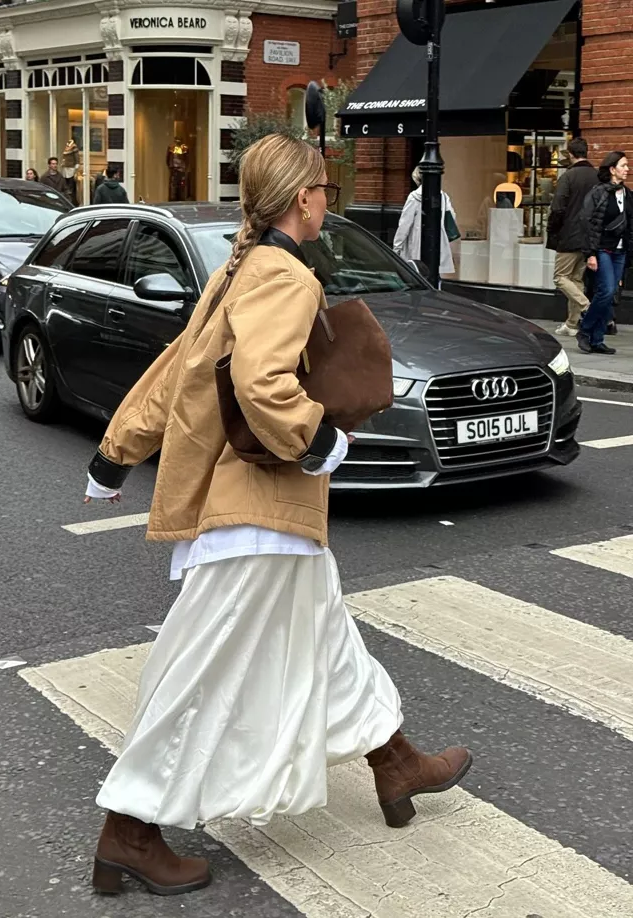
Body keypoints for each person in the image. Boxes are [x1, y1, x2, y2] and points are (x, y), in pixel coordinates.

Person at [83, 133, 472, 898]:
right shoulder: (284, 278)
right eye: (325, 188)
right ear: (302, 198)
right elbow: (263, 384)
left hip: (261, 511)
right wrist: (321, 440)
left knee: (327, 635)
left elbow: (180, 369)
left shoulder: (239, 268)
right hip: (256, 508)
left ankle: (393, 764)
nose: (331, 198)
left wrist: (116, 450)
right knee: (199, 664)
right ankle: (128, 829)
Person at [578, 151, 633, 356]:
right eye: (623, 165)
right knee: (606, 291)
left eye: (627, 166)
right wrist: (590, 254)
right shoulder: (598, 193)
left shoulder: (627, 194)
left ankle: (597, 339)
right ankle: (584, 329)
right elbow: (588, 223)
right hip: (602, 249)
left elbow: (630, 225)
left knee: (609, 295)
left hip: (620, 252)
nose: (627, 169)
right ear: (612, 169)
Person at [546, 138, 598, 337]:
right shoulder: (596, 176)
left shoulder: (568, 177)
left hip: (569, 235)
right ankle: (572, 324)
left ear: (570, 154)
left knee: (560, 277)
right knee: (576, 279)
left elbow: (557, 207)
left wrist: (553, 230)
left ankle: (587, 307)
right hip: (589, 237)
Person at [393, 166, 457, 277]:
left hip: (416, 244)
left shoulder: (413, 197)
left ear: (417, 179)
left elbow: (404, 225)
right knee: (435, 275)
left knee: (417, 274)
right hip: (438, 242)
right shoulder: (443, 196)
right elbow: (452, 217)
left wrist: (397, 247)